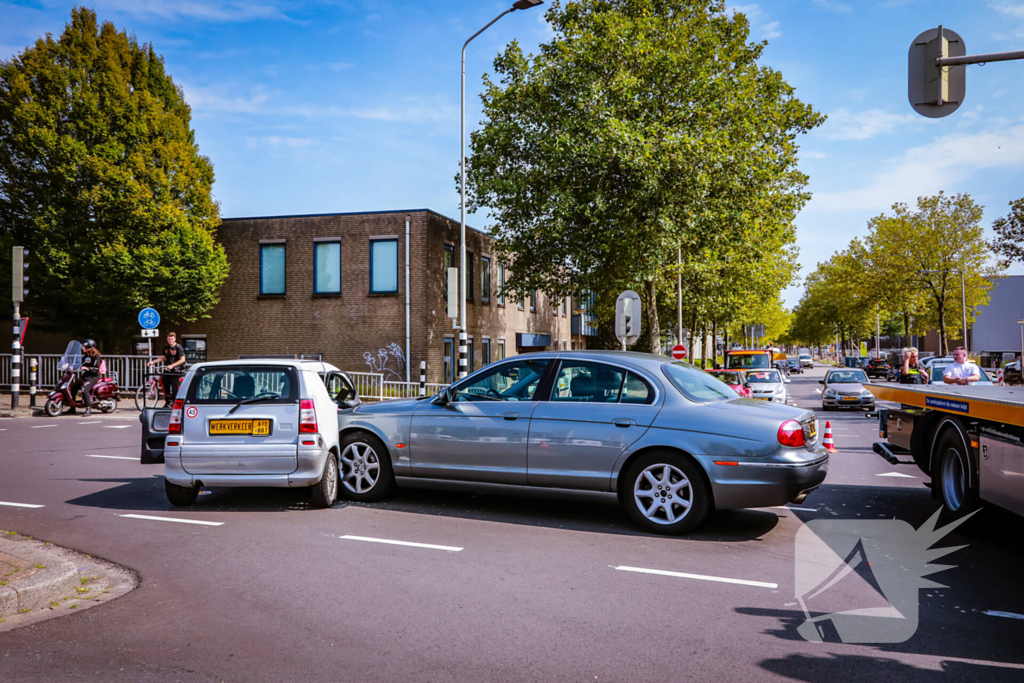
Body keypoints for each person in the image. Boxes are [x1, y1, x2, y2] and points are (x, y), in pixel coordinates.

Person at [148, 331, 188, 407]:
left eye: (171, 339)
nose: (170, 340)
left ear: (175, 339)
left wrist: (172, 365)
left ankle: (175, 403)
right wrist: (153, 362)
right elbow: (163, 357)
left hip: (176, 370)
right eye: (169, 339)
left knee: (174, 387)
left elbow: (182, 359)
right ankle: (168, 402)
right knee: (165, 386)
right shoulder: (166, 348)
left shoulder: (178, 347)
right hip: (167, 369)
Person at [78, 339, 103, 416]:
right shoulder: (86, 355)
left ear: (88, 346)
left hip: (94, 376)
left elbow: (96, 369)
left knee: (85, 390)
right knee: (74, 386)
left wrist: (87, 368)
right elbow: (81, 363)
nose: (82, 348)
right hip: (86, 375)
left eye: (83, 346)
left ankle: (88, 409)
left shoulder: (96, 356)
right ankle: (72, 407)